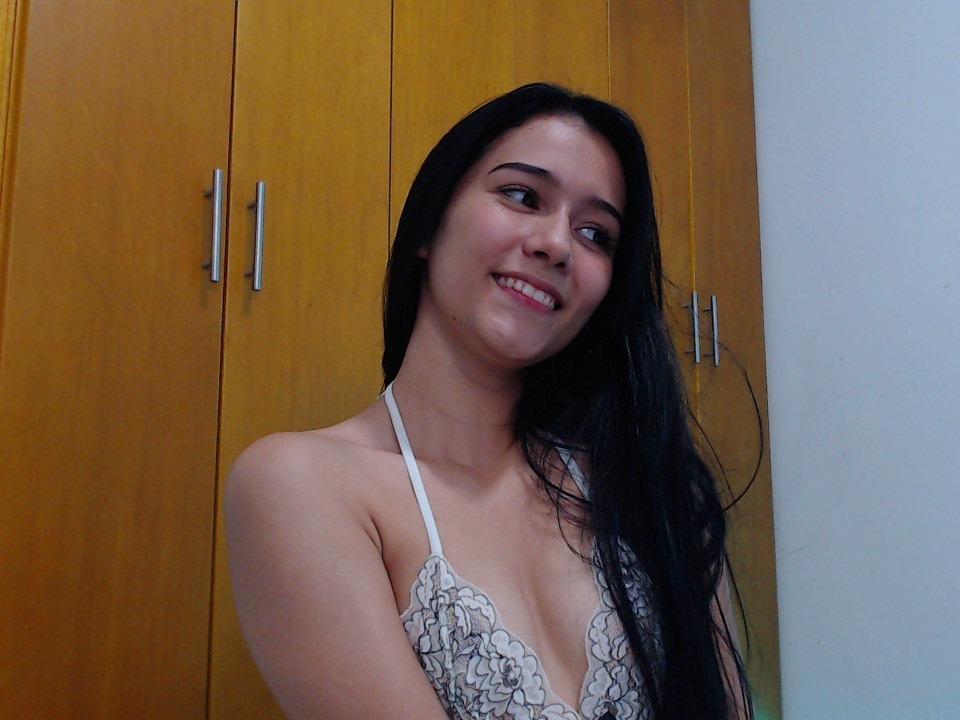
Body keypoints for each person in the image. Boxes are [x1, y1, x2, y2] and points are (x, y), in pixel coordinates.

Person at [226, 83, 752, 720]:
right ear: (429, 223)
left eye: (595, 234)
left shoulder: (654, 491)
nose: (557, 244)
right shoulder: (301, 485)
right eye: (523, 196)